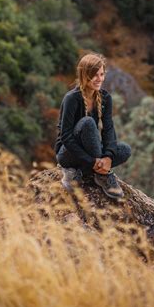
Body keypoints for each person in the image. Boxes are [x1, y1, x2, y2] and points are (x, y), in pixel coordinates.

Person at [54, 52, 131, 199]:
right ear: (84, 75)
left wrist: (108, 156)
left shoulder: (105, 98)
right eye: (95, 75)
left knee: (124, 150)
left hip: (91, 149)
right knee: (88, 123)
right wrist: (93, 160)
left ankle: (84, 173)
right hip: (67, 153)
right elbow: (66, 137)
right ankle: (99, 173)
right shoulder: (71, 98)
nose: (99, 79)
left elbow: (108, 129)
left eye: (101, 74)